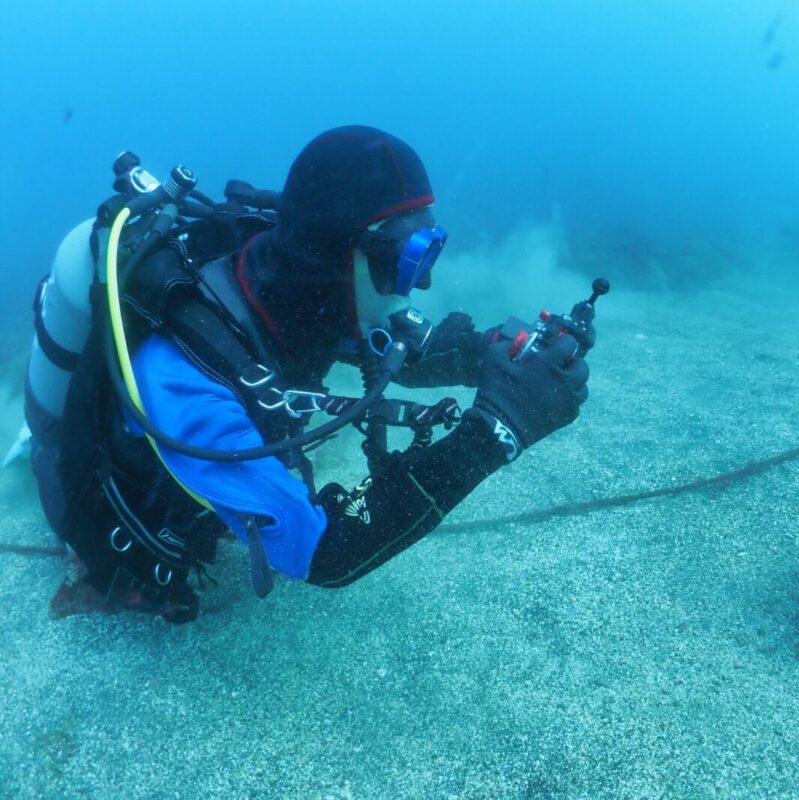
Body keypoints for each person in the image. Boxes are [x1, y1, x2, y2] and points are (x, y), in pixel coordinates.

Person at [23, 125, 595, 622]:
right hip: (122, 501)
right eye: (408, 259)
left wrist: (495, 355)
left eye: (428, 251)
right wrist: (500, 428)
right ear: (337, 253)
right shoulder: (184, 383)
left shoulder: (295, 283)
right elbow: (322, 553)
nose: (419, 284)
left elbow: (392, 346)